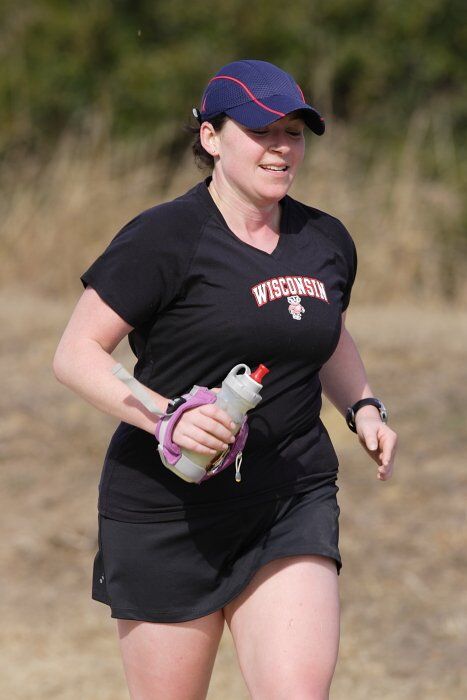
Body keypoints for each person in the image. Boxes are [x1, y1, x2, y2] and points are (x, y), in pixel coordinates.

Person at [53, 59, 397, 700]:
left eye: (293, 132)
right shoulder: (163, 238)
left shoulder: (324, 238)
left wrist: (363, 405)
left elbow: (322, 329)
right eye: (261, 130)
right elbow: (75, 354)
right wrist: (169, 417)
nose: (281, 147)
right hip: (167, 512)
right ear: (211, 137)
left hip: (290, 496)